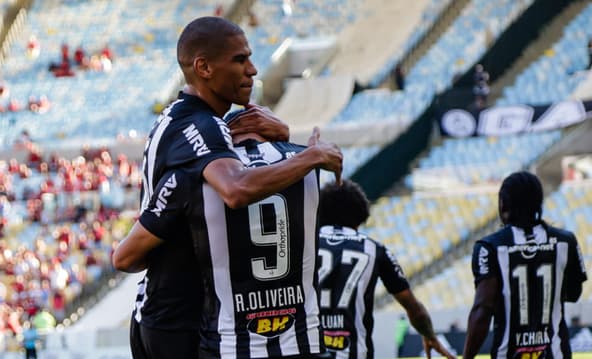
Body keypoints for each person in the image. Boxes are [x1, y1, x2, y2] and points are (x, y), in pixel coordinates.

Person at [112, 16, 342, 359]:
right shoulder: (201, 127)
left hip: (164, 313)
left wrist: (282, 135)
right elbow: (236, 189)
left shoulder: (186, 119)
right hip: (180, 320)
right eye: (239, 59)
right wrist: (311, 156)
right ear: (204, 67)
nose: (252, 70)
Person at [316, 180, 455, 359]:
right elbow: (414, 309)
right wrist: (430, 336)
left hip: (307, 351)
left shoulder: (302, 244)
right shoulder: (375, 249)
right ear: (360, 217)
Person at [463, 171, 588, 359]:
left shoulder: (489, 247)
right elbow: (574, 293)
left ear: (503, 204)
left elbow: (482, 310)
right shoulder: (565, 241)